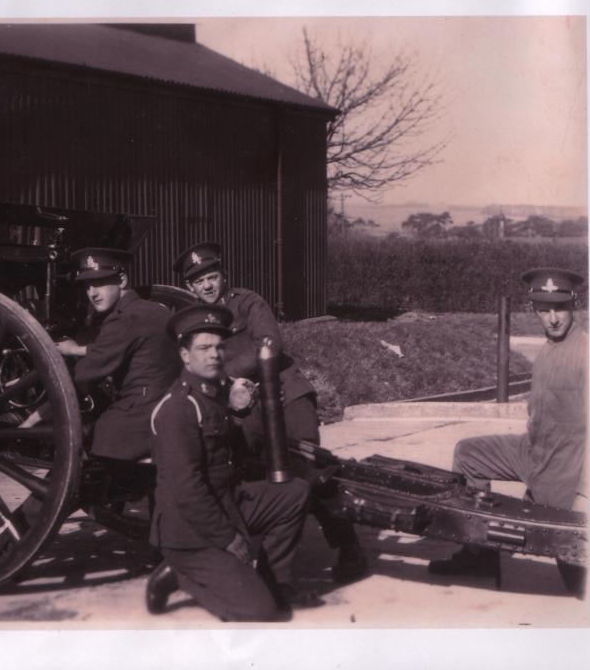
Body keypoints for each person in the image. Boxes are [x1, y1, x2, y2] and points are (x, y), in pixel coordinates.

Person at [172, 242, 368, 583]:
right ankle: (267, 561)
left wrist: (231, 376)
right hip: (247, 410)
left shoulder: (246, 301)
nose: (207, 286)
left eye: (213, 277)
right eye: (199, 281)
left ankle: (350, 549)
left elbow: (269, 344)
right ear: (189, 287)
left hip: (285, 394)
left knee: (311, 470)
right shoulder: (194, 322)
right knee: (256, 476)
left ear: (223, 276)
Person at [145, 304, 311, 621]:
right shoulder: (179, 408)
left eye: (219, 347)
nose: (214, 355)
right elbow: (188, 491)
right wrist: (228, 538)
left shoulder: (213, 394)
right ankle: (179, 575)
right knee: (259, 612)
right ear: (184, 355)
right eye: (203, 348)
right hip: (190, 531)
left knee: (294, 493)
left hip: (226, 503)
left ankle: (273, 582)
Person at [428, 267, 588, 592]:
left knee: (577, 574)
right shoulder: (547, 350)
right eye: (544, 310)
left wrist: (585, 493)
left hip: (564, 467)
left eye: (560, 309)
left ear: (574, 305)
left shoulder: (587, 353)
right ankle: (479, 554)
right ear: (534, 310)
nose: (553, 318)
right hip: (532, 451)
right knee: (469, 454)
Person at [53, 247, 179, 461]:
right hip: (171, 405)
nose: (92, 293)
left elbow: (83, 376)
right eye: (87, 285)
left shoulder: (123, 319)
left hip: (142, 415)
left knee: (97, 433)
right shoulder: (155, 309)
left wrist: (35, 414)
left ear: (122, 280)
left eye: (100, 282)